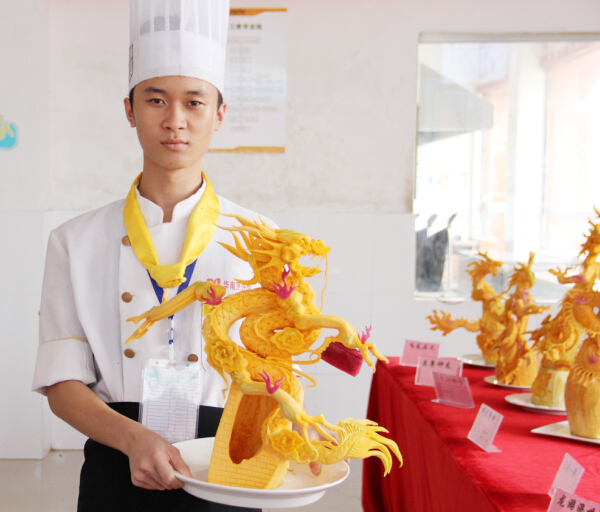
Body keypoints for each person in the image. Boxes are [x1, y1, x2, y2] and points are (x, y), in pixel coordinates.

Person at [31, 1, 267, 510]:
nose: (175, 121)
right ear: (129, 110)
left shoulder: (261, 240)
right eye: (156, 100)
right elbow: (61, 382)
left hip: (228, 463)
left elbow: (276, 373)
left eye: (194, 102)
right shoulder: (74, 241)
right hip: (117, 459)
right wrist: (133, 439)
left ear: (219, 114)